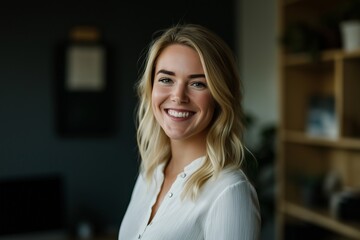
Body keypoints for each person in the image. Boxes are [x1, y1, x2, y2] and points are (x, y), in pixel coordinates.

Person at [119, 24, 261, 240]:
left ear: (218, 96)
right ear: (150, 89)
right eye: (166, 79)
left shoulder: (229, 191)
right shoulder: (150, 174)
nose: (178, 96)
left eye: (197, 83)